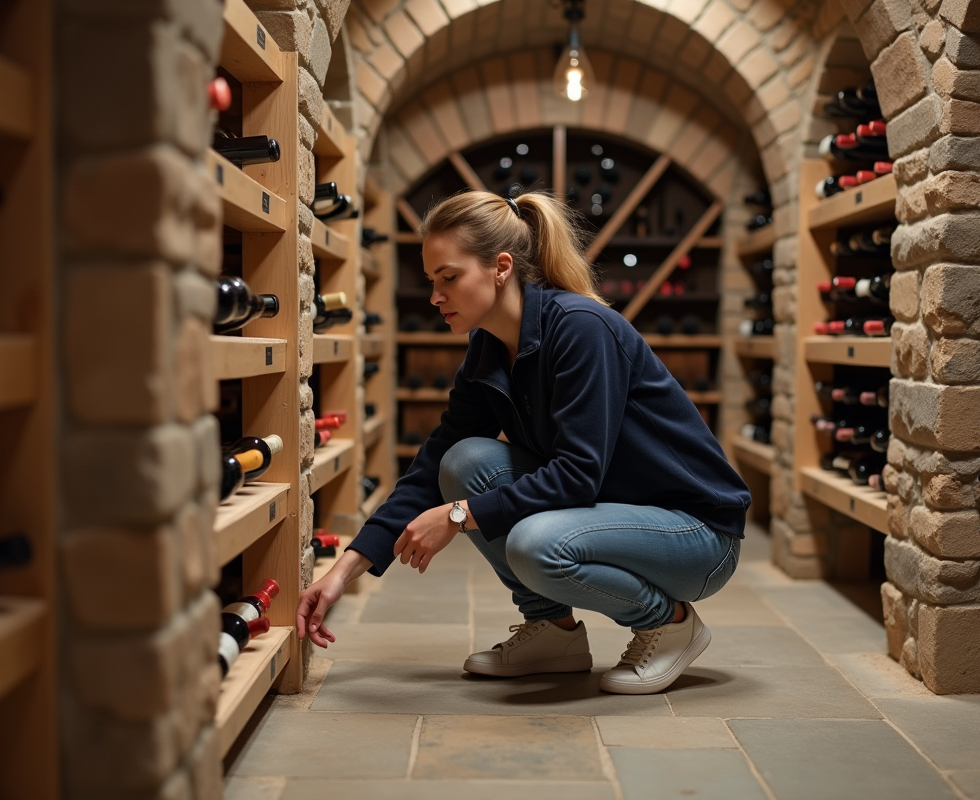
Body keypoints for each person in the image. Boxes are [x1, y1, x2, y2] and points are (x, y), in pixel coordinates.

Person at [295, 189, 751, 695]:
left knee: (534, 545)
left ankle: (669, 623)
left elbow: (578, 475)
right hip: (615, 511)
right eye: (431, 281)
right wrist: (344, 571)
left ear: (501, 267)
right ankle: (553, 634)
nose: (435, 297)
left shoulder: (581, 329)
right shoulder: (488, 348)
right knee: (463, 461)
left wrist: (457, 516)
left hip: (696, 536)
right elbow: (433, 465)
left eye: (449, 278)